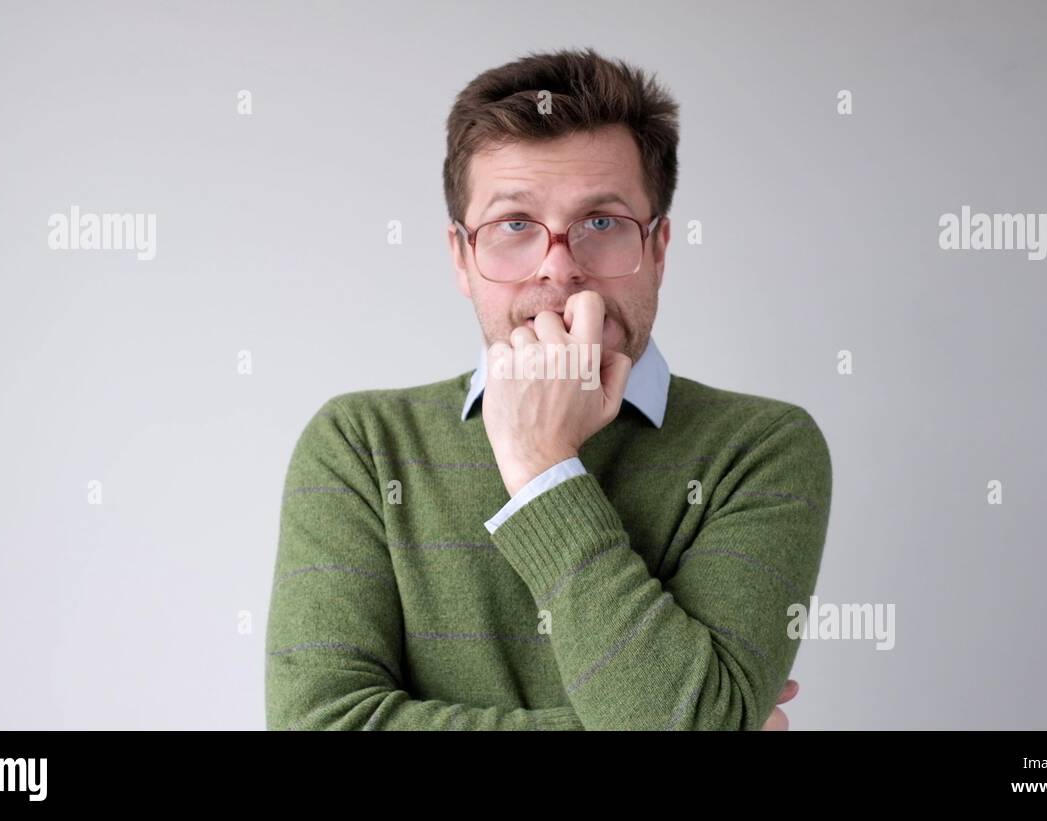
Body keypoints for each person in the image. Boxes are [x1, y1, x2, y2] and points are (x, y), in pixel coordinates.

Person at [265, 47, 832, 730]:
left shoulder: (761, 447)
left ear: (658, 249)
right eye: (514, 225)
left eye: (602, 223)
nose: (560, 271)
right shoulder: (361, 444)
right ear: (461, 258)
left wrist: (541, 466)